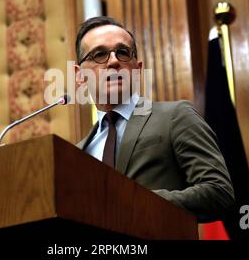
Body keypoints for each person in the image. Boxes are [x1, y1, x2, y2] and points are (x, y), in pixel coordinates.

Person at [74, 16, 234, 222]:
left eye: (123, 53)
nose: (114, 61)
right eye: (99, 54)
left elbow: (219, 192)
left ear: (138, 69)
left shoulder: (175, 116)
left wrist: (136, 201)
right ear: (79, 75)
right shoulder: (78, 154)